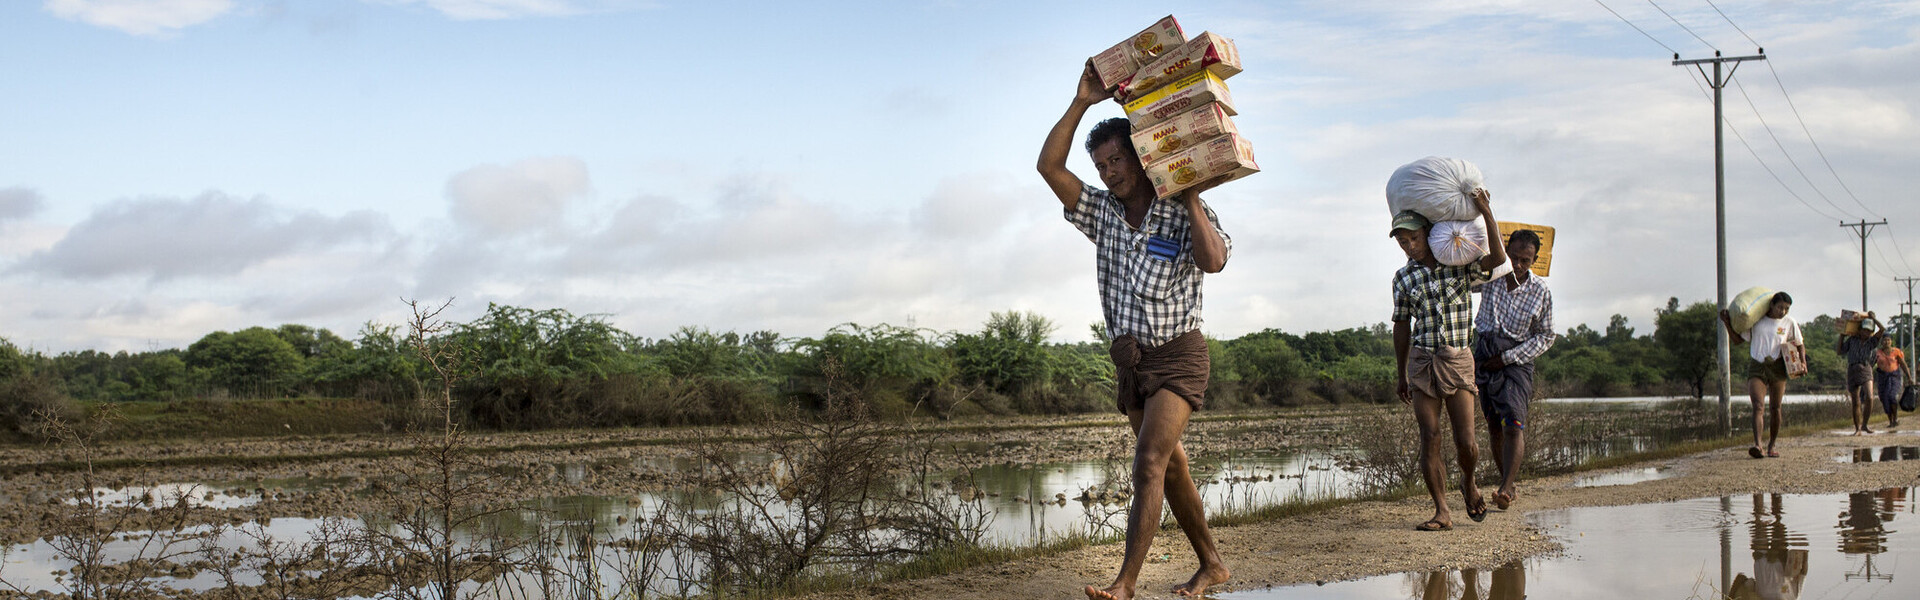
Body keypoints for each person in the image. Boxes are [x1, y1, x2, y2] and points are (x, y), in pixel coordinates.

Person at [1039, 62, 1232, 600]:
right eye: (1100, 165)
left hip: (1180, 357)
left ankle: (1125, 584)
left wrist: (1191, 197)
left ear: (1142, 158)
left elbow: (1214, 261)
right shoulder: (1101, 213)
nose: (1108, 172)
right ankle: (1212, 563)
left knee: (1148, 462)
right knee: (1170, 471)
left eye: (1117, 159)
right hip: (1131, 364)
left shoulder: (1179, 210)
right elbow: (1047, 166)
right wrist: (1082, 102)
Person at [1390, 192, 1507, 532]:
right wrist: (1402, 373)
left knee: (1466, 442)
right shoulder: (1403, 278)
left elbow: (1498, 258)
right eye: (1402, 242)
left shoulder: (1458, 262)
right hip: (1422, 362)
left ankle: (1468, 483)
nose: (1409, 246)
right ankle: (1441, 510)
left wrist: (1485, 209)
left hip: (1457, 359)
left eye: (1413, 238)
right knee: (1431, 436)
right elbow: (1401, 325)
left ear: (1428, 233)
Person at [1472, 229, 1553, 512]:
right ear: (1505, 251)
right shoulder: (1491, 276)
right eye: (1513, 257)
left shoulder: (1540, 291)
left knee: (1514, 422)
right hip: (1483, 354)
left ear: (1534, 260)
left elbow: (1545, 336)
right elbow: (1465, 280)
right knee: (1494, 423)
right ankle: (1509, 483)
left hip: (1516, 361)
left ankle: (1506, 487)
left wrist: (1507, 358)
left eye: (1525, 260)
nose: (1518, 265)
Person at [1719, 293, 1802, 457]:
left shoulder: (1789, 322)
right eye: (1780, 307)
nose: (1783, 311)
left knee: (1776, 408)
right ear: (1771, 305)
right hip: (1757, 365)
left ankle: (1771, 445)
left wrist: (1802, 362)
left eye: (1786, 308)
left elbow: (1799, 343)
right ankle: (1758, 445)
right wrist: (1727, 323)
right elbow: (1737, 340)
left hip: (1778, 367)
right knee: (1758, 406)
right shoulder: (1757, 320)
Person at [1836, 313, 1886, 435]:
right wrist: (1842, 335)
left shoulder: (1872, 342)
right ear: (1859, 330)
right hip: (1853, 368)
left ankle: (1865, 425)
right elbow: (1839, 351)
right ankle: (1857, 428)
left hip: (1865, 367)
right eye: (1864, 330)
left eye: (1869, 331)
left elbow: (1883, 329)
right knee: (1855, 401)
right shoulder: (1852, 340)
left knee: (1869, 396)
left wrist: (1874, 318)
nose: (1866, 333)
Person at [1873, 334, 1909, 428]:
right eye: (1884, 340)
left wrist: (1909, 377)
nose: (1887, 342)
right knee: (1884, 398)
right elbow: (1871, 364)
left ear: (1891, 341)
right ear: (1881, 342)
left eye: (1888, 340)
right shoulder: (1878, 353)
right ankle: (1890, 421)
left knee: (1892, 396)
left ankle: (1895, 418)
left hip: (1894, 377)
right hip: (1882, 378)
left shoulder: (1896, 352)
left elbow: (1903, 365)